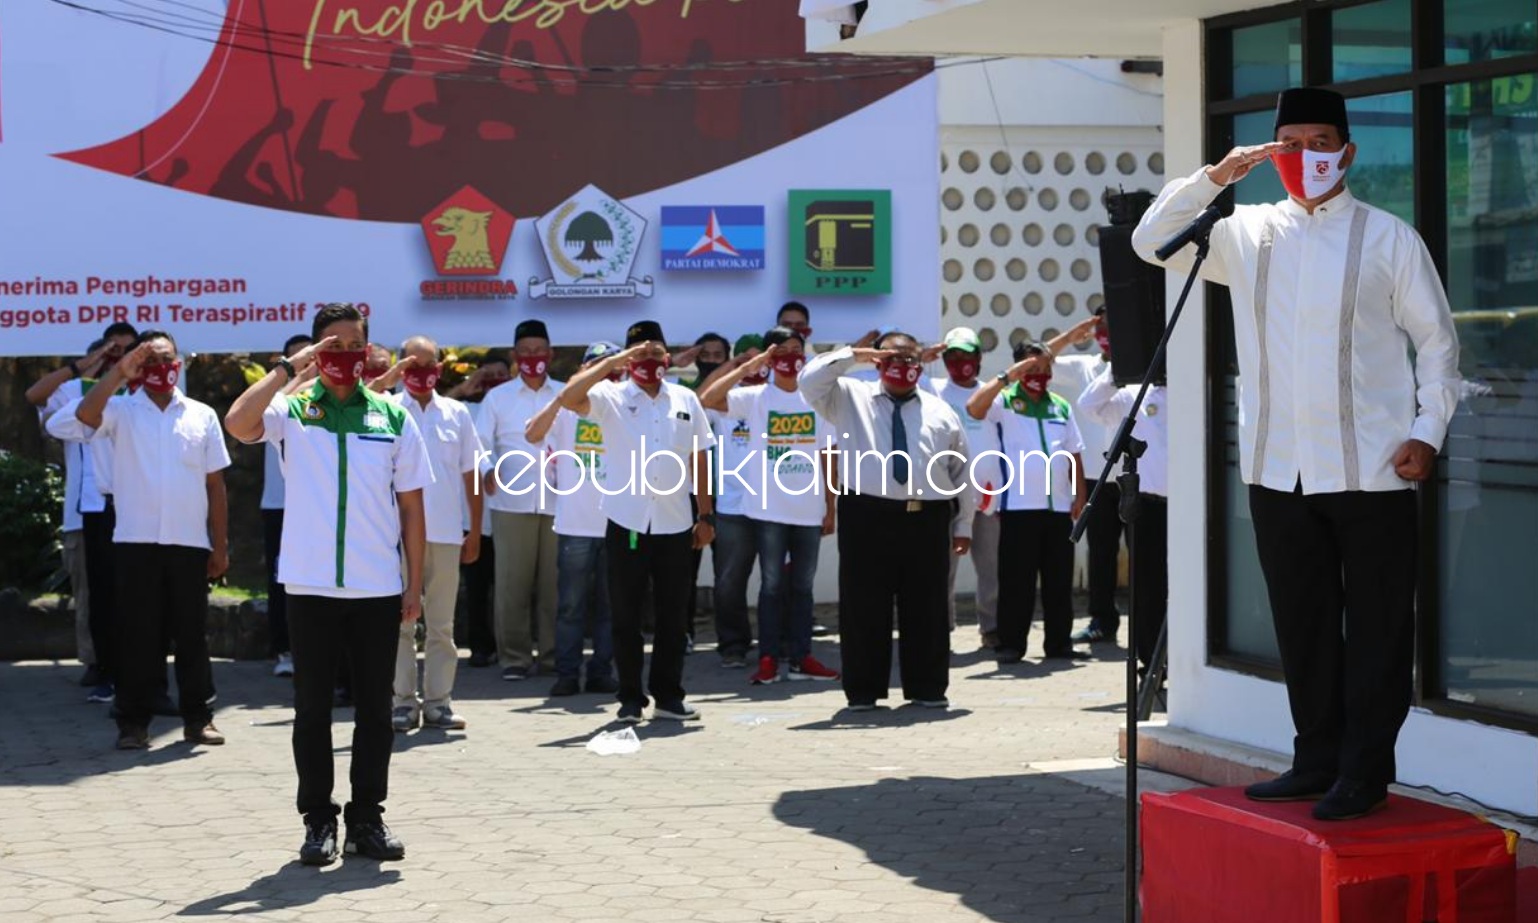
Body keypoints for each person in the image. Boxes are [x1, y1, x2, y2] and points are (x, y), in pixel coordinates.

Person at [1133, 86, 1460, 821]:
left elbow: (1438, 345)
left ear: (1346, 151)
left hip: (1373, 467)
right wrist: (1215, 176)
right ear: (1271, 152)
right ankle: (1314, 758)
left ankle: (1365, 770)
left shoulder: (1388, 238)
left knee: (1377, 630)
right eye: (1290, 143)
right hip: (1276, 467)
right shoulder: (1245, 233)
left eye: (1320, 142)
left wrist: (1426, 431)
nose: (1305, 156)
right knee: (1303, 622)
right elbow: (1150, 242)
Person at [225, 302, 432, 865]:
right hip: (310, 584)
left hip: (375, 586)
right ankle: (319, 820)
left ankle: (368, 817)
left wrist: (414, 585)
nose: (342, 355)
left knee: (374, 709)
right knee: (312, 710)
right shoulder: (292, 409)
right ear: (315, 352)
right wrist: (287, 370)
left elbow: (413, 510)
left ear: (367, 351)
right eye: (330, 346)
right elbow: (237, 423)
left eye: (352, 345)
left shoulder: (391, 415)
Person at [72, 330, 230, 750]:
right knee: (137, 635)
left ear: (179, 361)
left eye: (167, 359)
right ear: (139, 367)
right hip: (135, 541)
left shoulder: (201, 414)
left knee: (193, 636)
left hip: (189, 542)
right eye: (151, 361)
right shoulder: (121, 409)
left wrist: (221, 545)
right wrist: (119, 374)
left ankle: (199, 718)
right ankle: (132, 723)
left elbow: (215, 484)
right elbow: (86, 416)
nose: (162, 368)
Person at [800, 331, 974, 711]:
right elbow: (809, 379)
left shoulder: (940, 409)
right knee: (864, 606)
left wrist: (964, 525)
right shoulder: (847, 397)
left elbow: (962, 471)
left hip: (926, 517)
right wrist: (855, 354)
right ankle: (863, 691)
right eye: (892, 358)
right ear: (877, 362)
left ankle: (927, 688)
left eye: (910, 358)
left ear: (921, 364)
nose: (902, 366)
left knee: (927, 607)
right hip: (866, 514)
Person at [555, 321, 716, 724]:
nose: (648, 359)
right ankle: (630, 697)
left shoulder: (684, 398)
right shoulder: (609, 395)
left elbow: (700, 457)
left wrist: (706, 515)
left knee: (673, 616)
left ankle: (669, 696)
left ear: (668, 357)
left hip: (676, 523)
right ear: (626, 358)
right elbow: (568, 396)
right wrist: (614, 362)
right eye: (639, 352)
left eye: (655, 352)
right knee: (625, 616)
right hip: (627, 522)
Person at [702, 326, 840, 686]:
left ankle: (801, 657)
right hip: (768, 509)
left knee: (803, 588)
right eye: (782, 351)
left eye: (797, 350)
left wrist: (831, 505)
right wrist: (751, 366)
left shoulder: (817, 398)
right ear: (770, 358)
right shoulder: (755, 397)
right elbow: (708, 399)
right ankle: (767, 659)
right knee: (772, 585)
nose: (791, 357)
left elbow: (828, 453)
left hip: (808, 509)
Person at [29, 325, 137, 693]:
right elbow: (35, 396)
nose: (117, 357)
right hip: (86, 511)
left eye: (125, 351)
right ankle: (100, 665)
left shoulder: (142, 391)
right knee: (94, 594)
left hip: (132, 510)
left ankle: (134, 669)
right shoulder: (76, 392)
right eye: (111, 350)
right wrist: (88, 366)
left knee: (131, 594)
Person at [966, 342, 1089, 663]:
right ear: (1018, 368)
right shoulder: (1004, 402)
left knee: (1058, 582)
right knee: (1016, 582)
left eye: (1045, 369)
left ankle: (1059, 644)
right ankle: (1011, 645)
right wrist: (1007, 377)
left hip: (1059, 508)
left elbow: (1074, 452)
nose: (1039, 375)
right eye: (1031, 368)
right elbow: (974, 408)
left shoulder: (1060, 405)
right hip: (1018, 507)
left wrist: (1081, 494)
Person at [387, 336, 483, 732]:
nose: (421, 375)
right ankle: (402, 703)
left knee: (442, 624)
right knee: (399, 624)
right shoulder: (387, 410)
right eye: (412, 367)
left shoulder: (457, 414)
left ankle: (439, 703)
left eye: (428, 366)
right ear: (400, 369)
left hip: (445, 534)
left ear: (440, 370)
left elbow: (471, 473)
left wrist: (475, 530)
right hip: (394, 535)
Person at [524, 341, 624, 698]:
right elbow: (533, 434)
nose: (602, 375)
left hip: (618, 522)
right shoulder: (566, 410)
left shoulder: (625, 404)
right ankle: (567, 674)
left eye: (608, 367)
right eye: (594, 367)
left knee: (611, 608)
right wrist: (563, 396)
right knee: (569, 607)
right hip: (575, 525)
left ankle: (602, 672)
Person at [477, 320, 562, 681]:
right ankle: (514, 658)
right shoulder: (498, 397)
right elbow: (479, 443)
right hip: (511, 503)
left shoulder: (565, 394)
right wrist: (488, 468)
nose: (532, 358)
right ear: (515, 356)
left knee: (554, 587)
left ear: (550, 354)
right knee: (512, 586)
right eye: (525, 352)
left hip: (561, 503)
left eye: (538, 350)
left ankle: (554, 657)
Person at [1076, 364, 1167, 671]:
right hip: (1148, 505)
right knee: (1148, 586)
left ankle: (1180, 655)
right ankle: (1150, 658)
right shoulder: (1133, 395)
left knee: (1184, 585)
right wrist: (1120, 368)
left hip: (1188, 506)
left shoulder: (1193, 389)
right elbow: (1089, 405)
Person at [1046, 311, 1125, 646]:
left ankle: (1155, 621)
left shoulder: (1144, 368)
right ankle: (1101, 619)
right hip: (1095, 477)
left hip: (1139, 477)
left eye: (1113, 328)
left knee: (1147, 554)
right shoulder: (1083, 367)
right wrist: (1070, 336)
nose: (1107, 335)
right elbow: (1037, 358)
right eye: (1101, 329)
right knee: (1101, 553)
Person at [926, 327, 1003, 647]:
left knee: (991, 567)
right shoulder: (933, 390)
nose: (962, 362)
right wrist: (923, 355)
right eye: (953, 356)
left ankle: (992, 628)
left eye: (968, 355)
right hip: (949, 497)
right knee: (942, 567)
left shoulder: (993, 393)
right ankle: (941, 629)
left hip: (988, 495)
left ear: (979, 358)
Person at [701, 333, 766, 667]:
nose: (754, 367)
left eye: (759, 359)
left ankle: (775, 643)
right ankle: (733, 645)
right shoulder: (726, 400)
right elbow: (700, 402)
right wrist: (735, 367)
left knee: (776, 580)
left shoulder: (779, 394)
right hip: (732, 505)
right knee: (729, 581)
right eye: (745, 360)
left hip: (775, 506)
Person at [262, 333, 313, 678]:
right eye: (296, 359)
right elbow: (270, 409)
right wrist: (296, 376)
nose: (304, 364)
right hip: (279, 504)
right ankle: (284, 649)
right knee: (281, 580)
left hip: (317, 504)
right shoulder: (280, 395)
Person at [453, 358, 510, 667]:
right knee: (476, 589)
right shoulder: (463, 411)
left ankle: (509, 645)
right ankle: (480, 645)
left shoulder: (514, 406)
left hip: (508, 514)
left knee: (508, 587)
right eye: (488, 376)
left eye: (501, 375)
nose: (495, 381)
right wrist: (464, 388)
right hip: (472, 516)